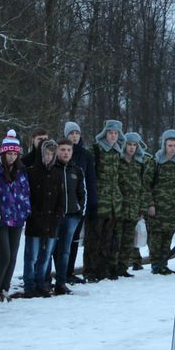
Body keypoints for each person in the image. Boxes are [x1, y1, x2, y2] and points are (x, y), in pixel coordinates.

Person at [0, 131, 31, 301]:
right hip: (0, 218)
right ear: (3, 152)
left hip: (18, 216)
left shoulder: (21, 170)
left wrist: (26, 210)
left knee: (13, 255)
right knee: (4, 255)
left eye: (15, 154)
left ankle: (4, 289)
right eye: (9, 153)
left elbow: (26, 191)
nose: (12, 157)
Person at [84, 120, 125, 282]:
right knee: (93, 239)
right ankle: (90, 271)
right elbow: (89, 176)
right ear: (105, 133)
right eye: (110, 133)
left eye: (116, 133)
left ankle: (103, 269)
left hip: (113, 204)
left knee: (108, 240)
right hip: (98, 202)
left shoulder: (117, 152)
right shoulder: (95, 149)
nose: (113, 136)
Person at [22, 139, 64, 298]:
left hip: (52, 221)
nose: (48, 157)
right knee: (32, 255)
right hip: (35, 221)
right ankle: (29, 285)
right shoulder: (31, 172)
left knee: (45, 256)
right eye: (46, 154)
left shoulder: (57, 174)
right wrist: (32, 214)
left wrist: (58, 214)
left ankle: (41, 283)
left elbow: (61, 197)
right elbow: (27, 196)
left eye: (51, 154)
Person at [145, 130, 175, 275]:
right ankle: (155, 264)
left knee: (167, 238)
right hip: (157, 208)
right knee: (156, 238)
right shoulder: (155, 162)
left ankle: (164, 263)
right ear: (164, 145)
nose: (172, 149)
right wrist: (150, 204)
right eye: (170, 145)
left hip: (172, 208)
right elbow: (146, 184)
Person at [62, 121, 96, 284]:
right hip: (63, 205)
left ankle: (69, 272)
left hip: (79, 205)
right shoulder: (62, 152)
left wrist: (92, 203)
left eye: (77, 133)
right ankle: (61, 272)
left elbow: (90, 181)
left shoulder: (86, 155)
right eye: (71, 133)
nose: (74, 136)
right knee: (62, 241)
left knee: (75, 239)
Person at [51, 139, 86, 295]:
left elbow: (81, 193)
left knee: (65, 251)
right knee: (51, 249)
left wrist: (79, 212)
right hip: (54, 216)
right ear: (57, 151)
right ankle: (45, 280)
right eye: (63, 149)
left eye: (68, 150)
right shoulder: (52, 168)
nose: (65, 152)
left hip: (72, 216)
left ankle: (61, 282)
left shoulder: (76, 170)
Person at [117, 132, 149, 276]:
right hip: (119, 206)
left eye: (134, 145)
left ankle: (123, 267)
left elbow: (142, 186)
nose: (131, 148)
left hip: (134, 207)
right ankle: (114, 267)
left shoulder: (139, 164)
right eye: (129, 144)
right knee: (117, 238)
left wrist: (142, 208)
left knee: (129, 240)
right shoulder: (119, 161)